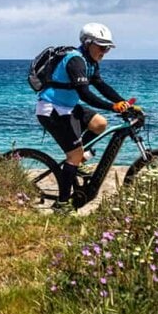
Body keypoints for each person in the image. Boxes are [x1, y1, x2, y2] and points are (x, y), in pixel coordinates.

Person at [36, 22, 131, 210]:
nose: (104, 52)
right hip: (52, 109)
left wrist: (124, 103)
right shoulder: (75, 61)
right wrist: (112, 107)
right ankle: (62, 204)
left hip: (68, 108)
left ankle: (78, 161)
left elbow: (100, 85)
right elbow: (85, 94)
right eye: (101, 47)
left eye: (107, 49)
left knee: (99, 124)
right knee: (74, 155)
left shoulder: (90, 62)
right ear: (88, 43)